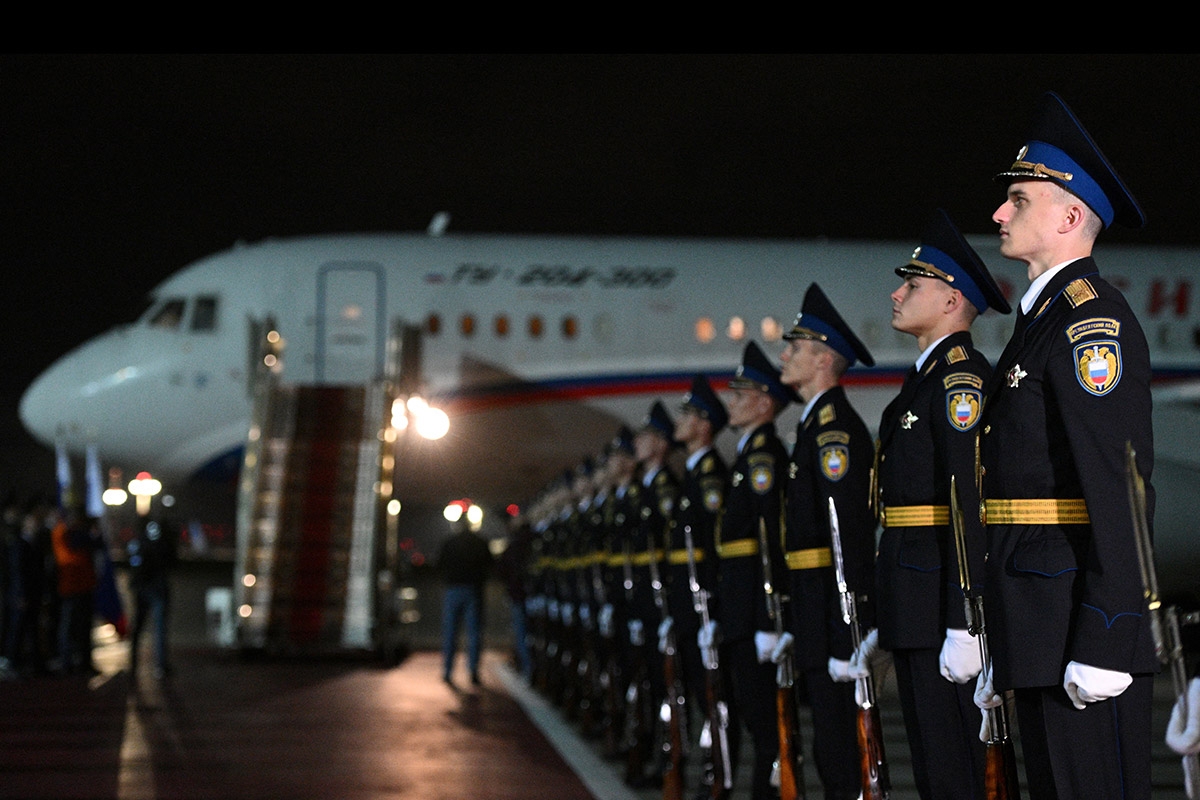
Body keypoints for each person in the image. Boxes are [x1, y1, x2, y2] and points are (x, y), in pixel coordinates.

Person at [975, 91, 1157, 800]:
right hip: (1038, 625)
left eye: (1017, 200)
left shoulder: (1090, 324)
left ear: (1070, 216)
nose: (999, 214)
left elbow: (1119, 485)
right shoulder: (1041, 322)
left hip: (1078, 626)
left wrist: (1110, 633)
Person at [863, 209, 1011, 800]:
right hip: (913, 599)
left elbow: (968, 504)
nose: (897, 294)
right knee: (932, 762)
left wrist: (964, 618)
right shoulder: (923, 382)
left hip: (940, 606)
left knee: (956, 767)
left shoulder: (960, 383)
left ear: (952, 301)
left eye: (914, 285)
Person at [777, 283, 877, 800]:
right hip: (815, 610)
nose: (784, 355)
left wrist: (846, 635)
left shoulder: (833, 431)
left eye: (794, 347)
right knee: (828, 749)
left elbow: (848, 536)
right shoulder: (814, 426)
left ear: (821, 359)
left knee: (840, 752)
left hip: (832, 617)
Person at [711, 340, 796, 800]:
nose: (731, 403)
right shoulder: (748, 457)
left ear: (764, 403)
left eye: (740, 395)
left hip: (755, 613)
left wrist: (768, 618)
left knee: (765, 719)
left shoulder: (763, 458)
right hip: (742, 609)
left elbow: (770, 543)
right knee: (753, 712)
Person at [668, 374, 733, 798]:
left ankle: (719, 783)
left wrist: (714, 607)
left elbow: (714, 546)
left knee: (714, 701)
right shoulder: (691, 474)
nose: (682, 421)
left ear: (704, 425)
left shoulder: (710, 476)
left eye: (689, 414)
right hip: (686, 605)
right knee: (695, 694)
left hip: (703, 603)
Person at [437, 513, 494, 687]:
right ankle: (473, 670)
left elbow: (440, 564)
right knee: (474, 633)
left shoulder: (449, 543)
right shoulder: (480, 542)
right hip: (473, 590)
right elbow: (490, 564)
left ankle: (447, 671)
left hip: (453, 589)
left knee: (450, 632)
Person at [50, 508, 100, 675]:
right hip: (71, 587)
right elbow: (66, 559)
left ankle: (82, 662)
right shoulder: (63, 533)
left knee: (83, 627)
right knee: (69, 626)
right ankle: (67, 662)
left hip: (81, 586)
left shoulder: (76, 534)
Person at [127, 515, 177, 679]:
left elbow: (133, 563)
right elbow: (171, 561)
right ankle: (160, 666)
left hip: (142, 587)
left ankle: (132, 664)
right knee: (159, 628)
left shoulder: (137, 543)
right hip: (156, 588)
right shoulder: (160, 543)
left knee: (138, 627)